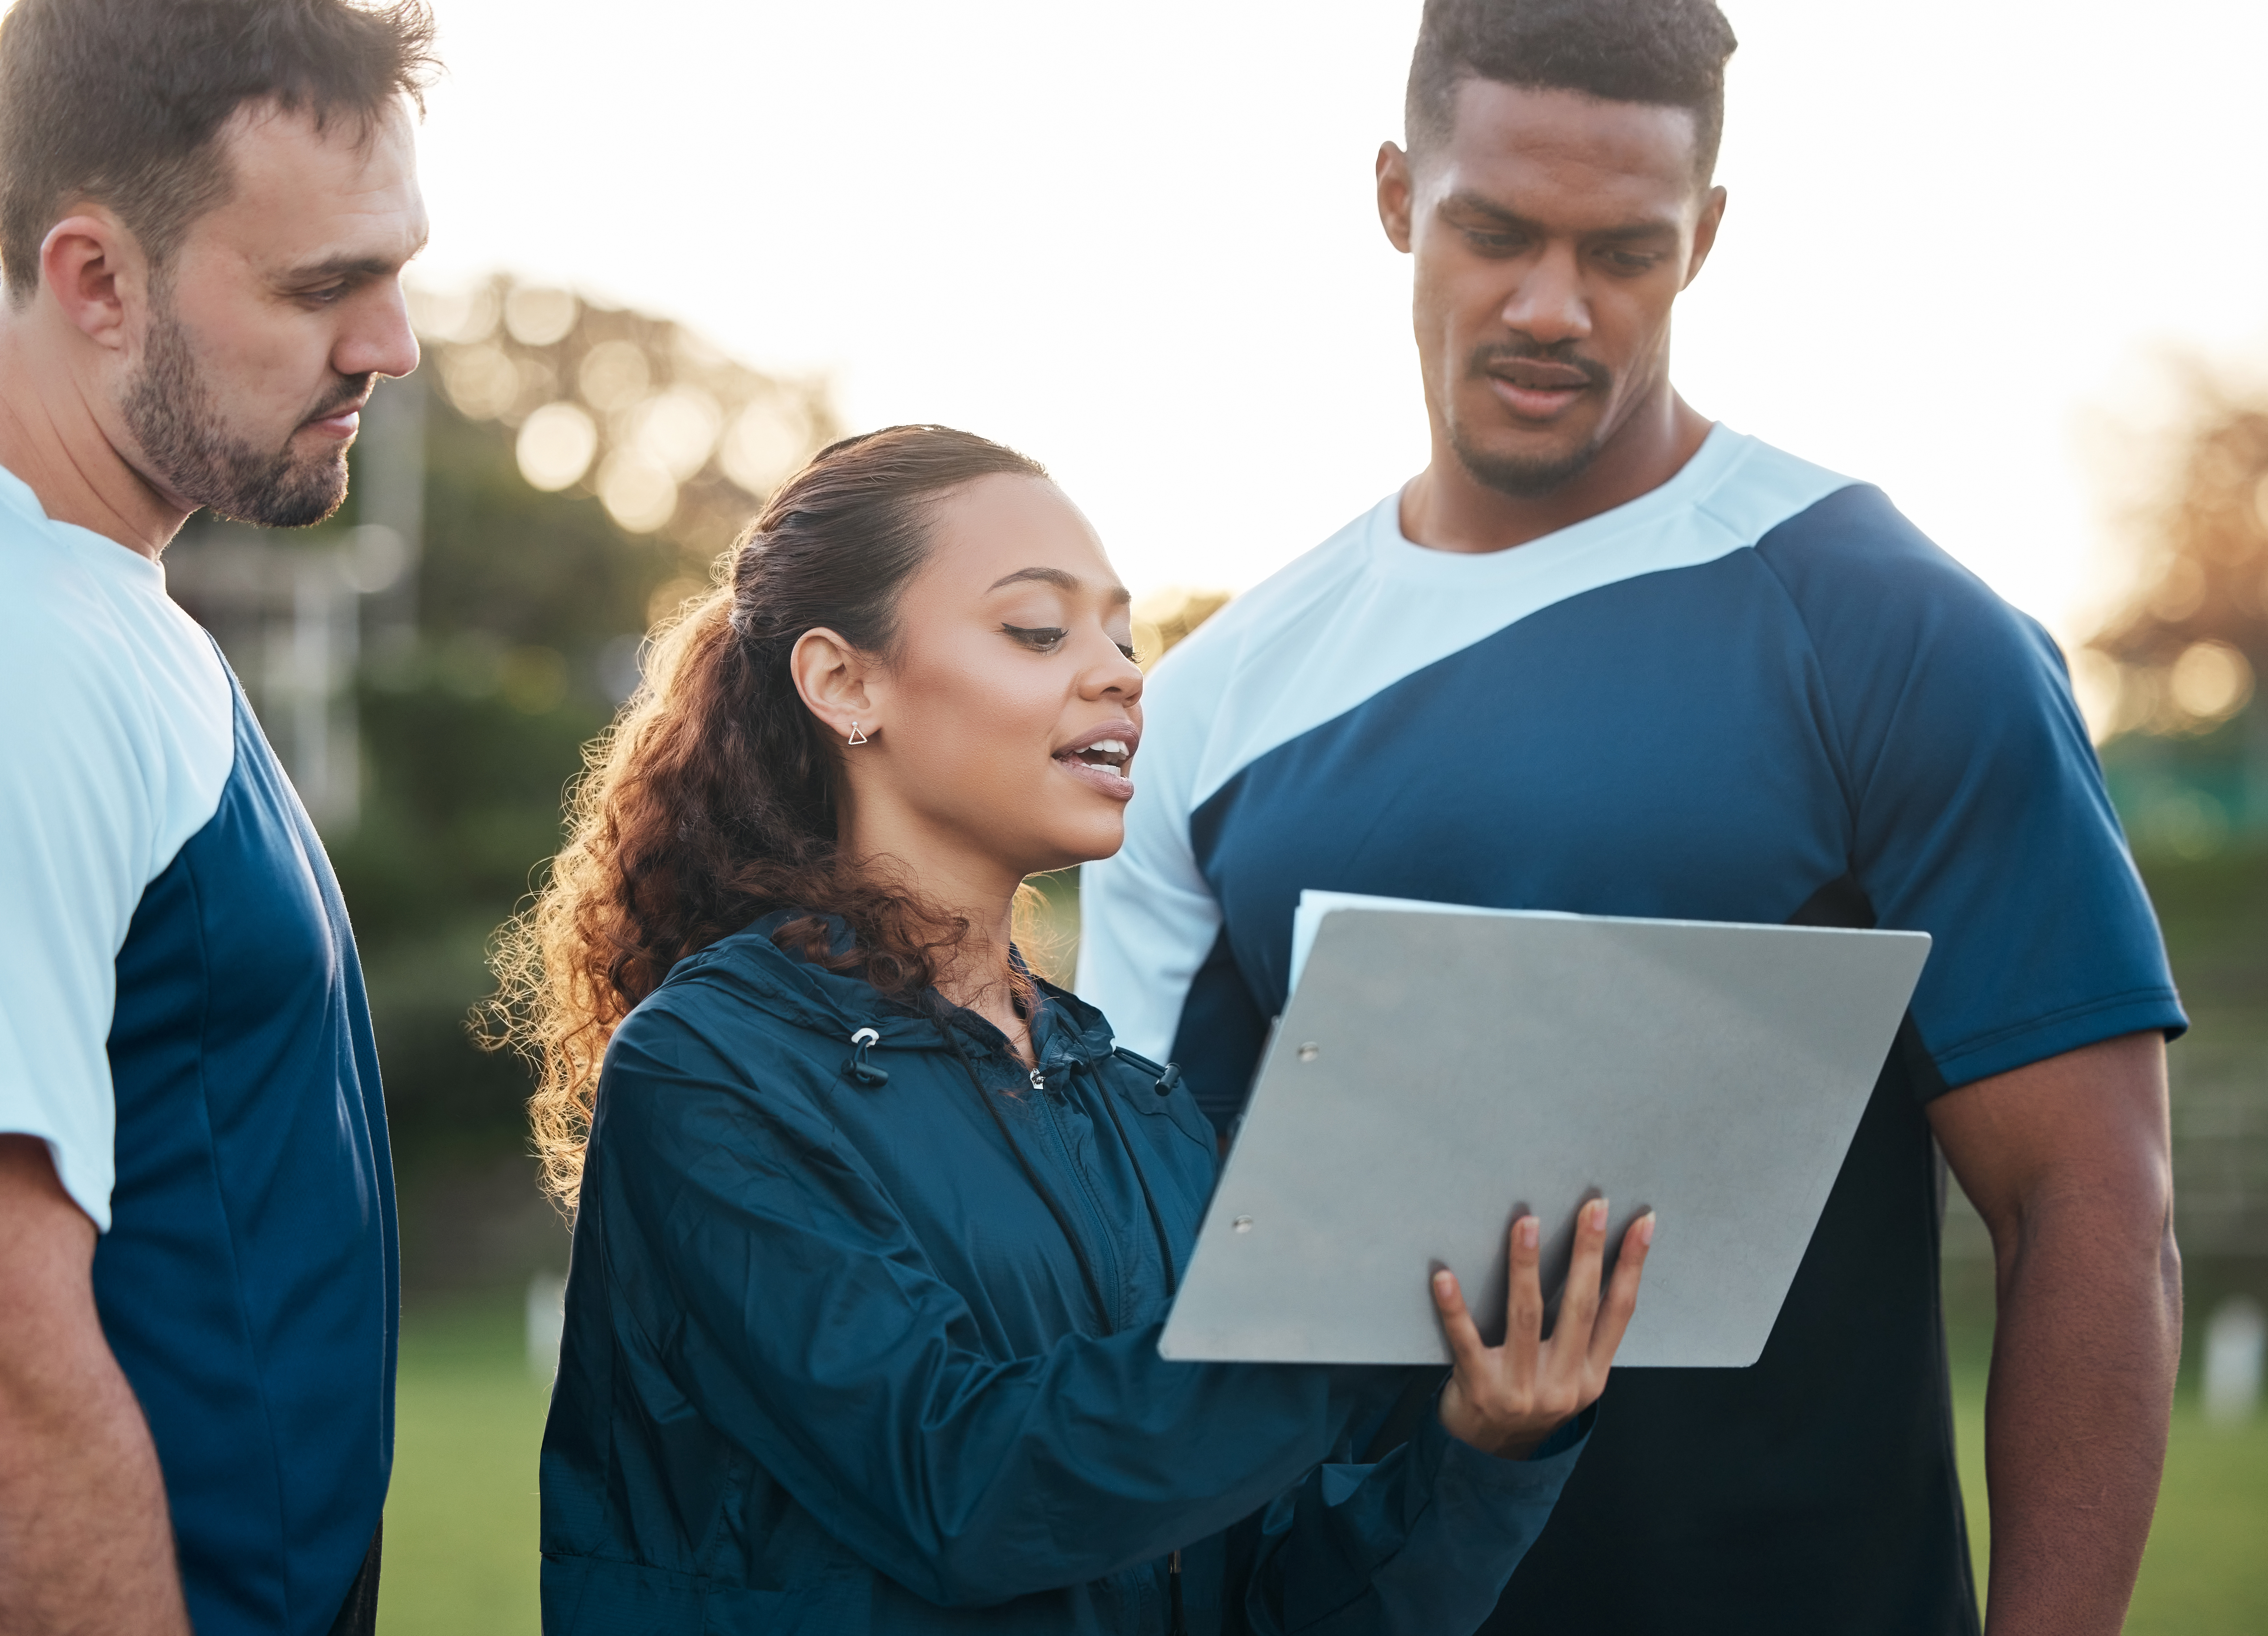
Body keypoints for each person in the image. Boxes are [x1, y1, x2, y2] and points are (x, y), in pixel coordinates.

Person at [1076, 2, 2186, 1633]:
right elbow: (1138, 1259)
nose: (1551, 307)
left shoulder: (1899, 634)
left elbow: (2092, 1204)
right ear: (1397, 197)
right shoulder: (1215, 702)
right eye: (1495, 232)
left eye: (1625, 252)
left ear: (1708, 238)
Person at [497, 424, 1656, 1633]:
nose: (1117, 671)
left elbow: (1270, 1604)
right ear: (846, 682)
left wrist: (1481, 1445)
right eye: (1040, 630)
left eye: (1121, 631)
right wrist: (1333, 1316)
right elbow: (957, 1486)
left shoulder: (1139, 1105)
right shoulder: (714, 1072)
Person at [0, 3, 433, 1633]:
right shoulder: (25, 647)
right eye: (324, 286)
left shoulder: (105, 610)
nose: (392, 343)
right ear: (95, 279)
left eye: (397, 269)